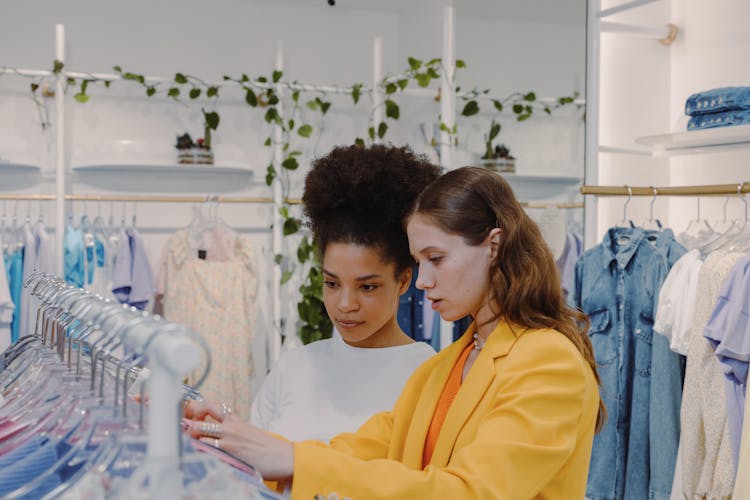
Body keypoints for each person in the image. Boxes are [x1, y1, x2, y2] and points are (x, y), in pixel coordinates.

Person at [185, 166, 605, 499]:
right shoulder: (446, 365)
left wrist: (293, 458)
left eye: (436, 259)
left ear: (493, 246)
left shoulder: (549, 361)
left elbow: (473, 492)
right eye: (420, 262)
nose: (422, 281)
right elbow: (366, 449)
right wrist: (226, 437)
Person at [250, 144, 439, 443]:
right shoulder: (293, 367)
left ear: (403, 281)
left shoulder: (430, 375)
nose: (345, 305)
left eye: (367, 287)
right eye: (332, 283)